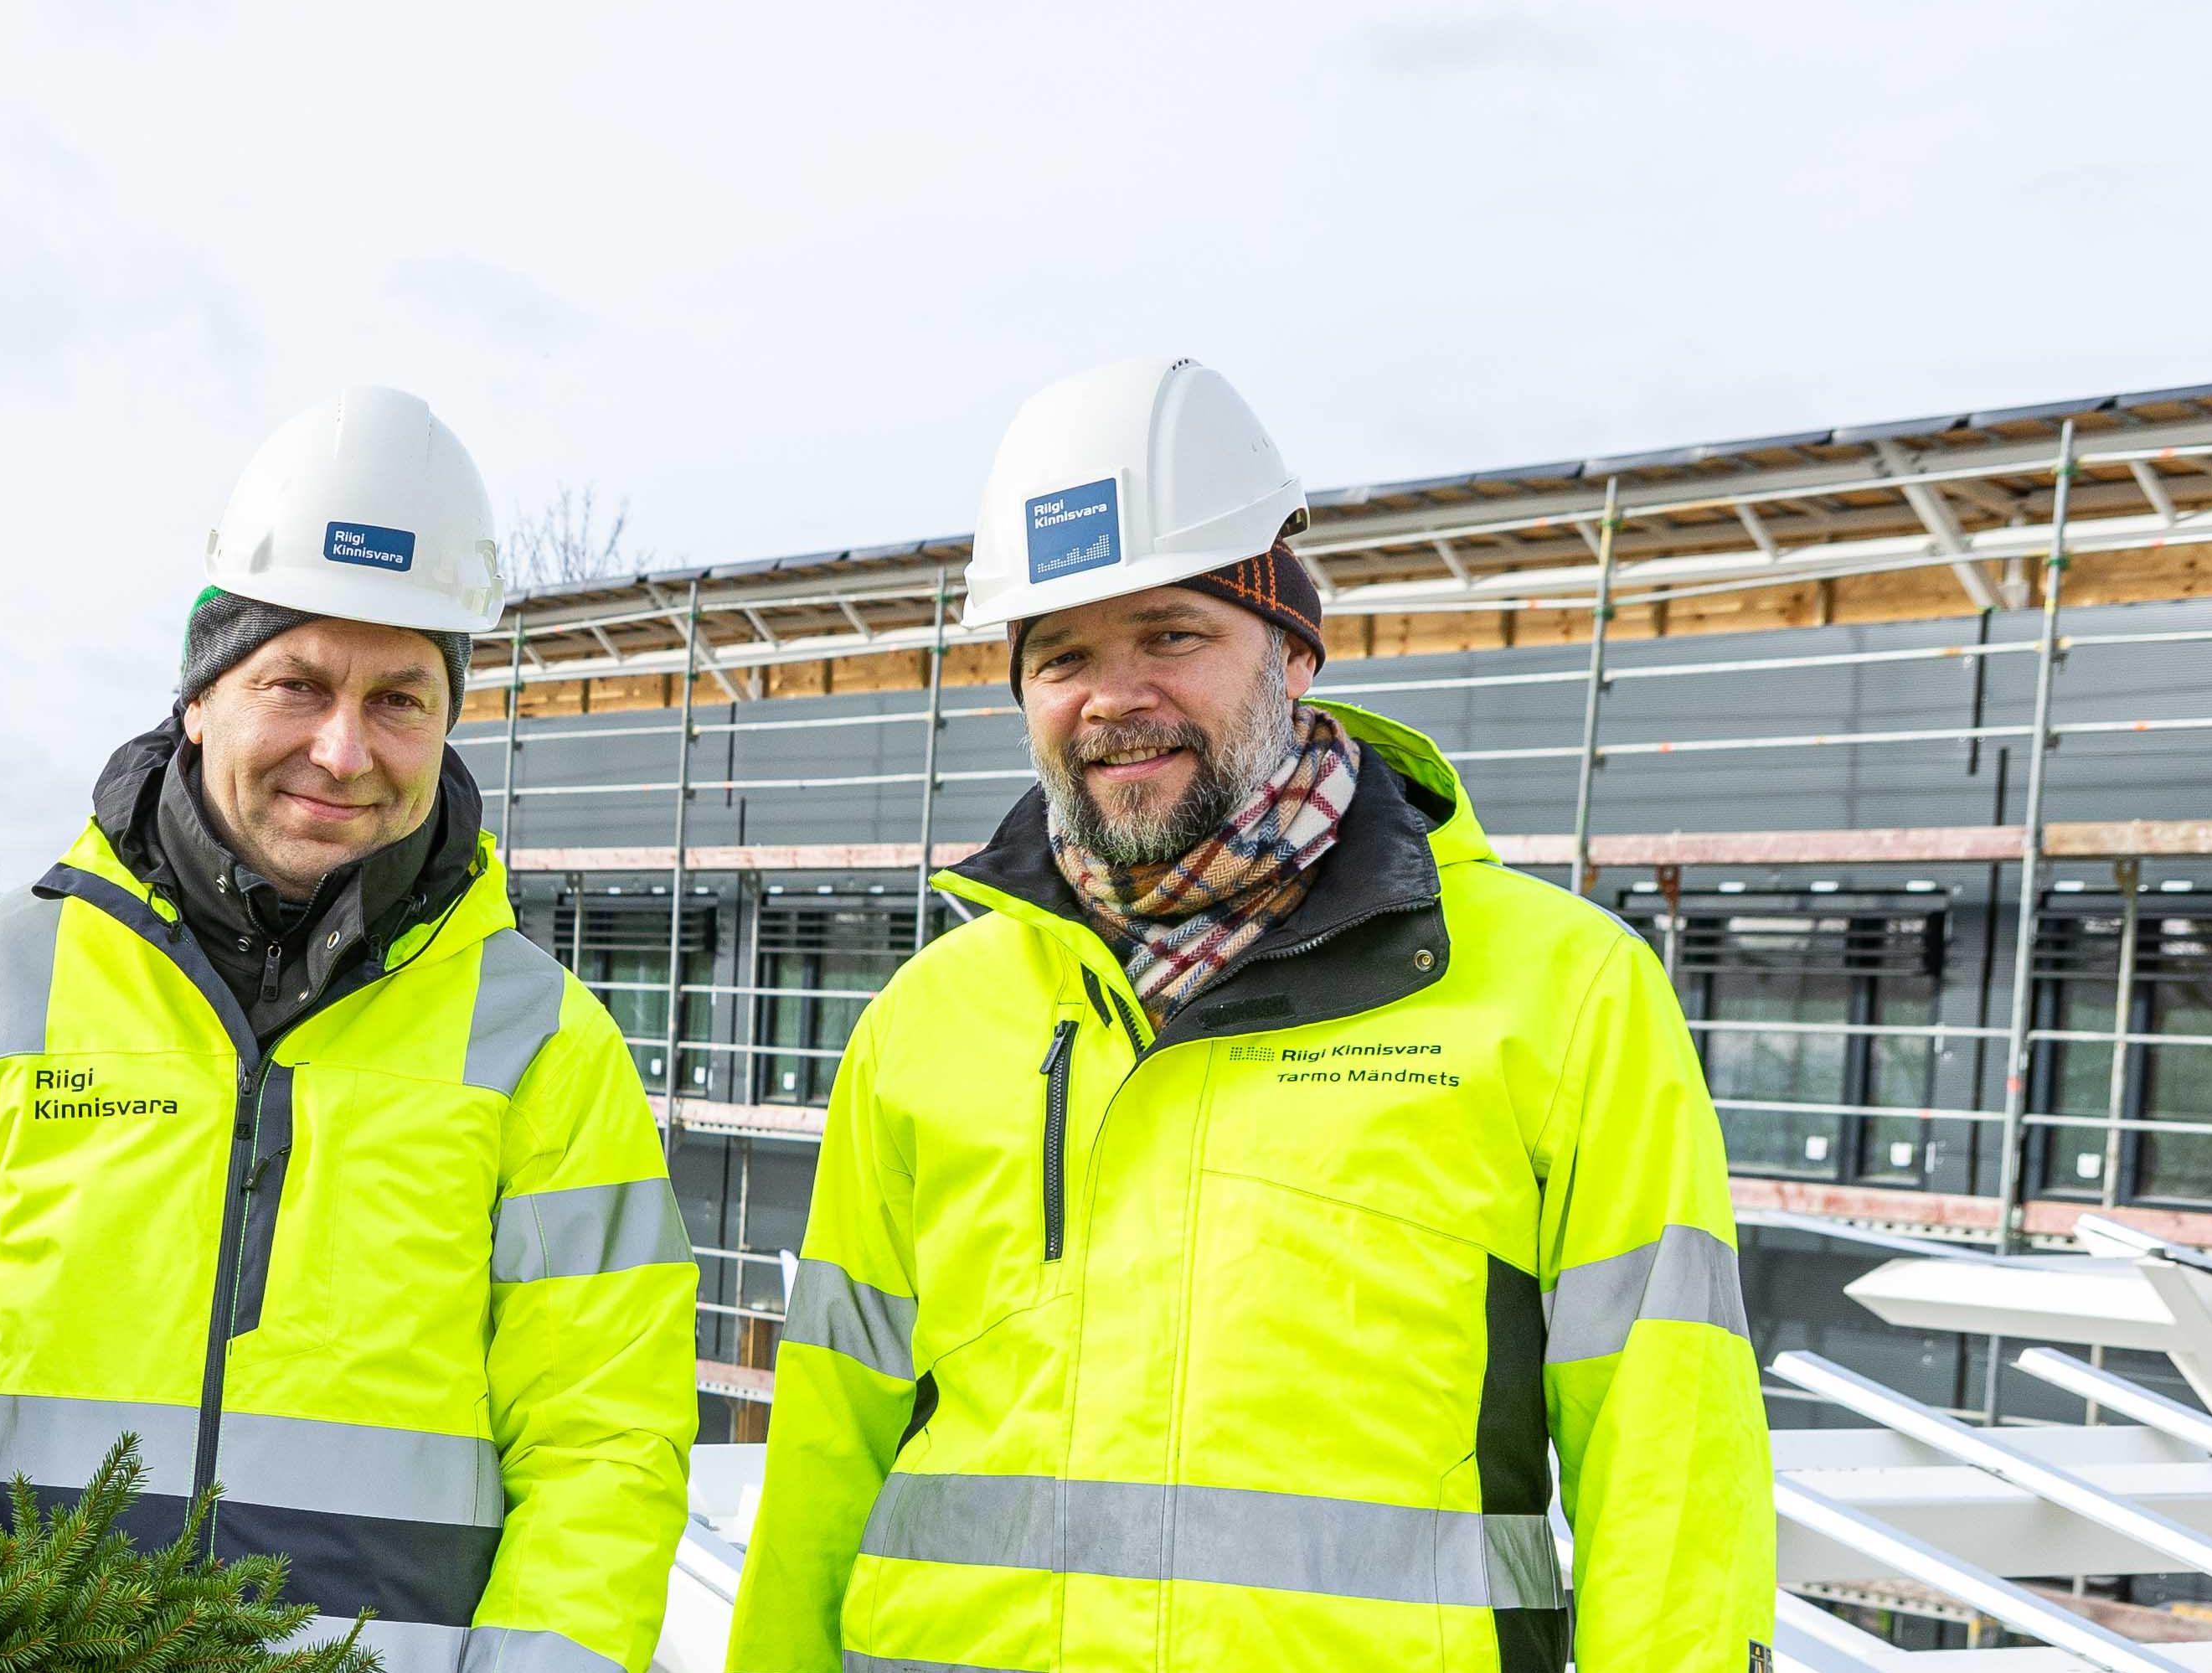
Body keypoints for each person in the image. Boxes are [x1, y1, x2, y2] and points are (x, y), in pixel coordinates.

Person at [725, 358, 1773, 1672]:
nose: (1116, 698)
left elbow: (1670, 1457)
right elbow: (826, 1452)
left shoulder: (1559, 994)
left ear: (1289, 646)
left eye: (1171, 633)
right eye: (1064, 656)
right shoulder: (930, 1020)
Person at [0, 388, 694, 1673]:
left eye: (399, 699)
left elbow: (607, 1435)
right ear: (201, 695)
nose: (342, 747)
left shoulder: (545, 1044)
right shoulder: (1, 977)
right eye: (298, 682)